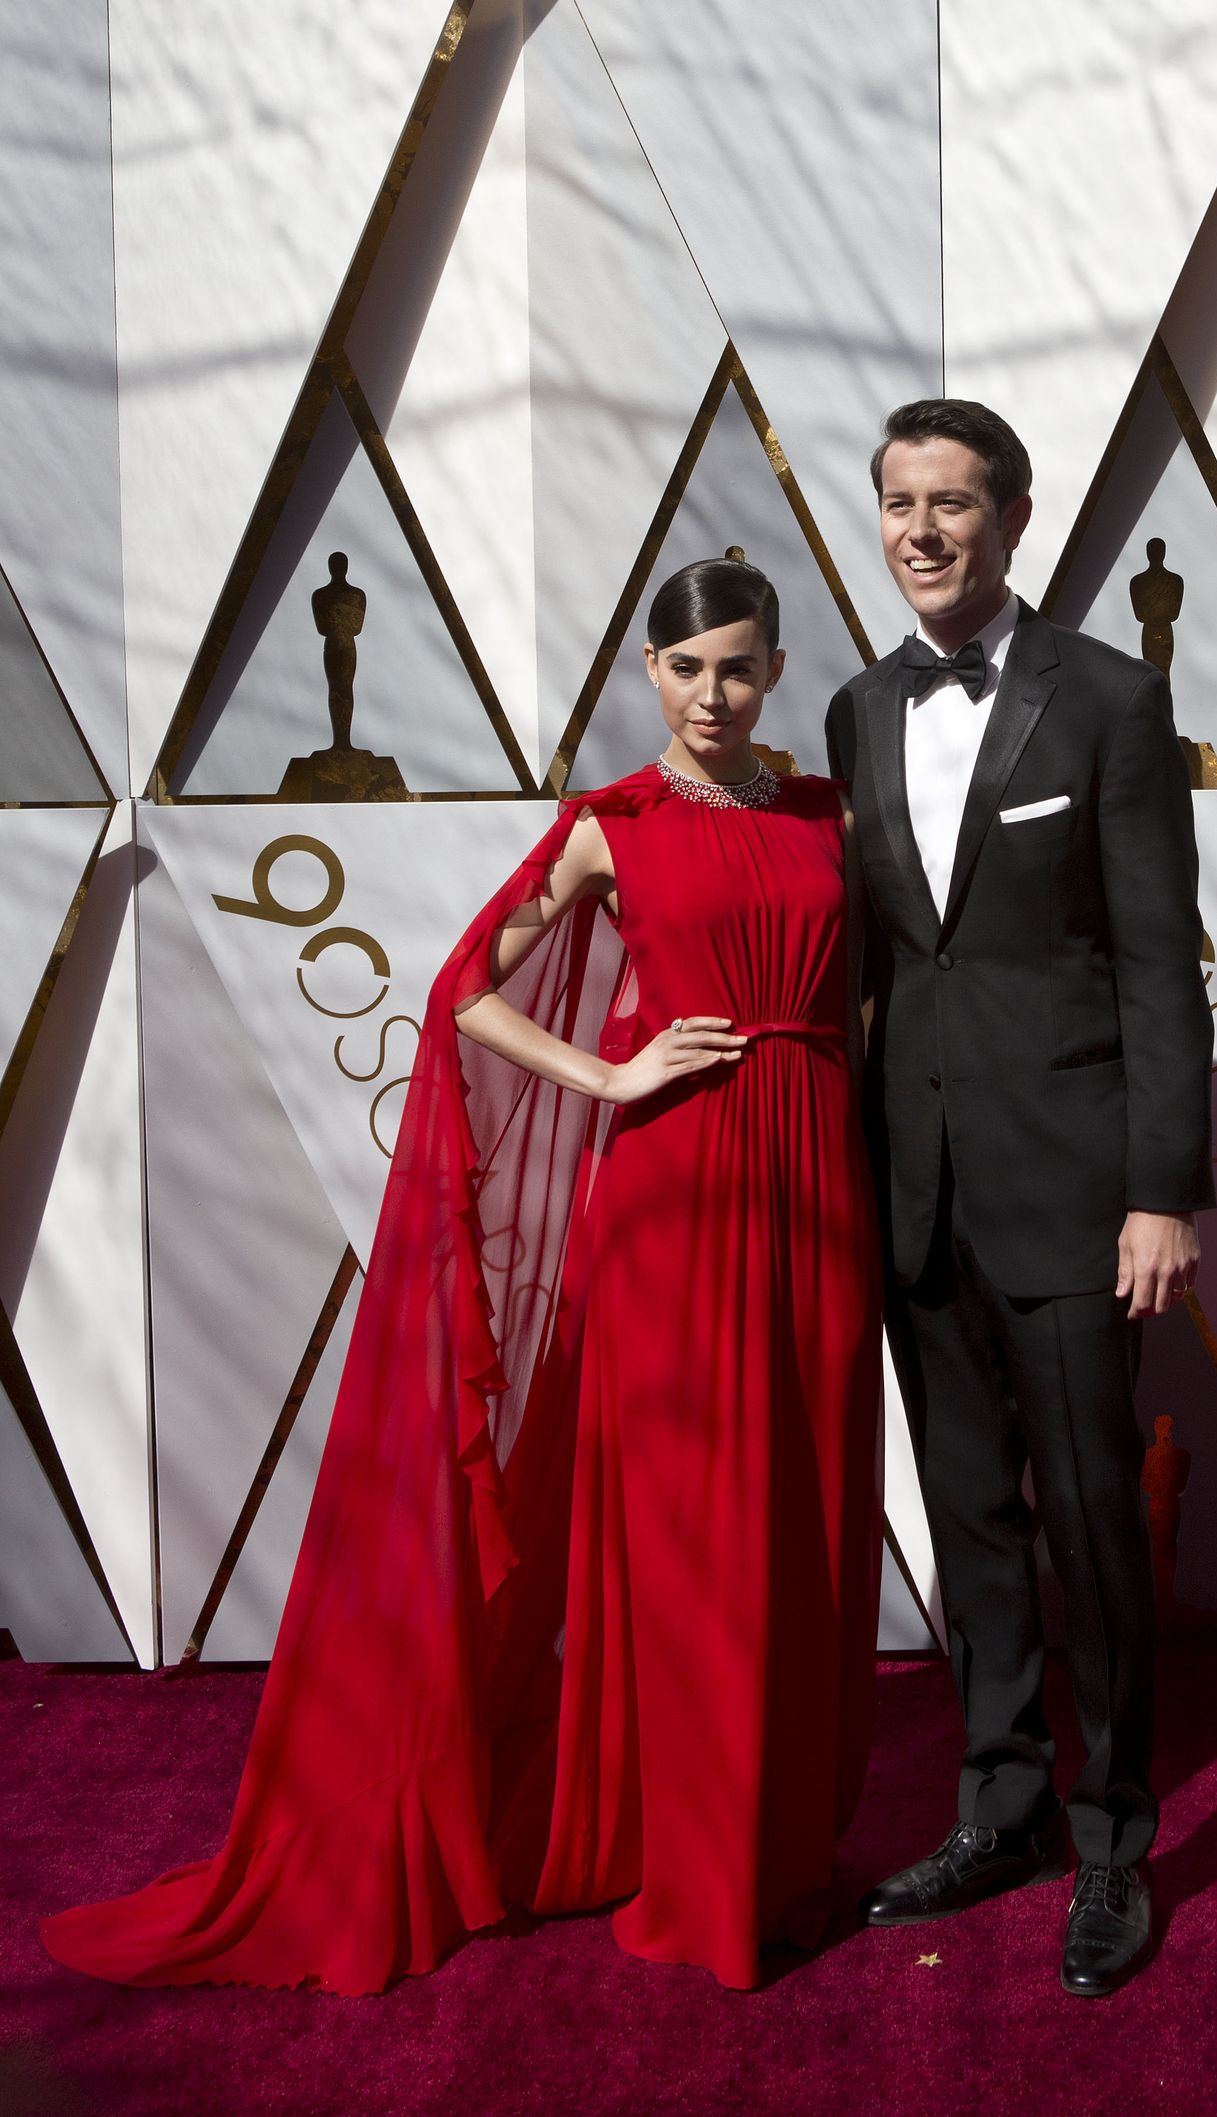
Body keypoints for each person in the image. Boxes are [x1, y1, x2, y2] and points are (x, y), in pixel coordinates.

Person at [43, 558, 883, 1995]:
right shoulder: (608, 829)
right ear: (651, 675)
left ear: (778, 669)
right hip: (675, 1199)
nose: (712, 694)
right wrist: (616, 1070)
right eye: (686, 669)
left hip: (818, 1188)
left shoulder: (828, 818)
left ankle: (786, 1842)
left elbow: (867, 991)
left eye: (739, 666)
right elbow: (464, 990)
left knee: (806, 1524)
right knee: (695, 1540)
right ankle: (696, 1868)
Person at [826, 399, 1214, 1998]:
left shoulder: (1112, 701)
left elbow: (1157, 966)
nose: (923, 530)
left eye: (954, 503)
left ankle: (1114, 1837)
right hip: (917, 1192)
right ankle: (1004, 1805)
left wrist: (1163, 1191)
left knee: (1095, 1531)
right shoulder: (855, 709)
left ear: (1016, 514)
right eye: (901, 504)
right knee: (973, 1524)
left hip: (1074, 1196)